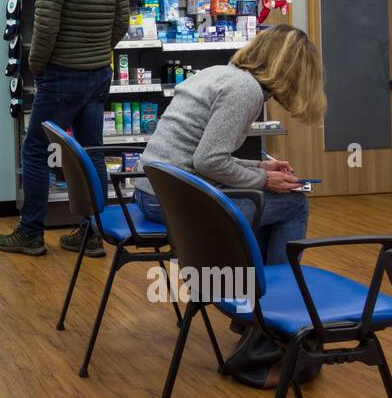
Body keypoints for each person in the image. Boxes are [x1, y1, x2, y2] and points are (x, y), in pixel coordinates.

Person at [0, 0, 129, 257]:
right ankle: (91, 232)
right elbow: (122, 24)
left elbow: (47, 24)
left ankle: (31, 232)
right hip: (99, 74)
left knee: (36, 149)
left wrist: (36, 65)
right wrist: (98, 49)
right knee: (92, 151)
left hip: (62, 75)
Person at [133, 23, 326, 267]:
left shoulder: (219, 73)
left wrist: (259, 167)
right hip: (171, 203)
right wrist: (264, 180)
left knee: (265, 200)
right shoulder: (245, 90)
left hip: (152, 192)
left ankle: (250, 284)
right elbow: (207, 161)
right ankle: (278, 290)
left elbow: (202, 153)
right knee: (294, 204)